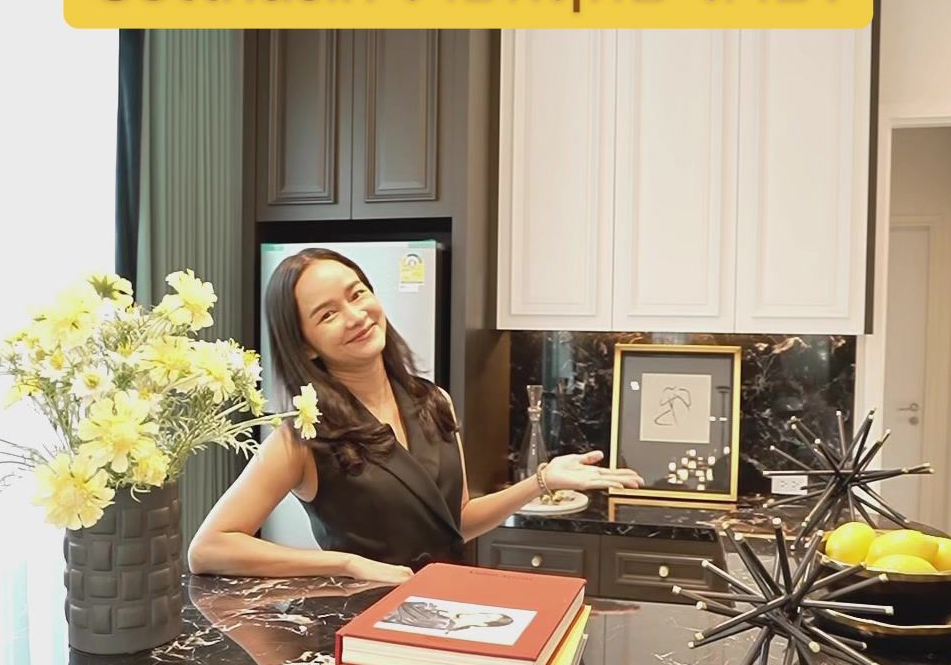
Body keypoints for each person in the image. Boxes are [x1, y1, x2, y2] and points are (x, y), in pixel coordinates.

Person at [188, 246, 641, 584]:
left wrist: (541, 481)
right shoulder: (302, 436)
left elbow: (458, 520)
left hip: (447, 611)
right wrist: (344, 564)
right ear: (305, 345)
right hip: (361, 629)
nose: (356, 315)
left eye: (357, 294)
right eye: (328, 315)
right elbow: (208, 548)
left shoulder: (433, 400)